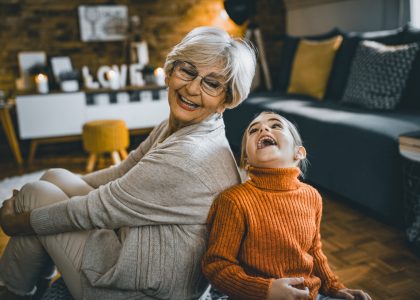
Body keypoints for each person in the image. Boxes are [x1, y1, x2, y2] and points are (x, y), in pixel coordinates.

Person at [0, 26, 257, 300]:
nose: (193, 88)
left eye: (212, 83)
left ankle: (14, 290)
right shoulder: (179, 127)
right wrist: (54, 197)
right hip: (139, 254)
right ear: (170, 71)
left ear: (225, 101)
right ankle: (30, 282)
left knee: (35, 195)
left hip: (142, 289)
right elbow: (122, 172)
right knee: (54, 177)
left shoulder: (186, 155)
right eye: (188, 71)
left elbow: (98, 209)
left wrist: (20, 223)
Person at [202, 112, 372, 300]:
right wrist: (266, 290)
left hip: (309, 295)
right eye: (253, 130)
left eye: (275, 126)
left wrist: (334, 287)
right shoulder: (233, 201)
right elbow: (217, 265)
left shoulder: (312, 196)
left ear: (298, 152)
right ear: (246, 158)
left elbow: (314, 250)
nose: (263, 129)